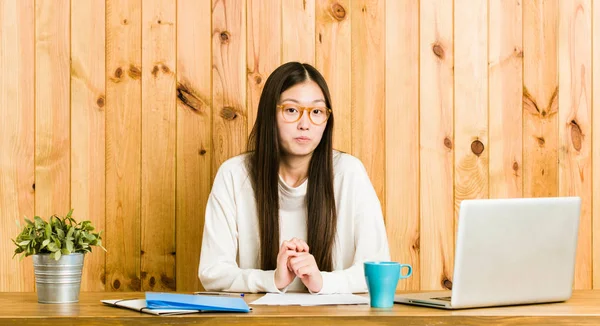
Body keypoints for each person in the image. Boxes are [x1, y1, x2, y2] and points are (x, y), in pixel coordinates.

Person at [198, 62, 390, 294]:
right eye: (291, 110)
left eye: (317, 112)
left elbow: (377, 269)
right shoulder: (234, 175)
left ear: (327, 120)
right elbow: (212, 272)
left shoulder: (349, 173)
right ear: (270, 115)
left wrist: (322, 282)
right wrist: (273, 280)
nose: (305, 124)